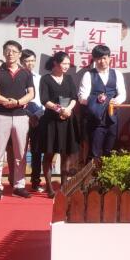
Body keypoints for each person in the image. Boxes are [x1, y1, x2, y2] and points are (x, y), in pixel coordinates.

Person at [0, 40, 35, 200]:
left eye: (14, 51)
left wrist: (18, 102)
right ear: (3, 53)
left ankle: (19, 186)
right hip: (1, 116)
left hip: (21, 116)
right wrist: (6, 101)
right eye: (7, 50)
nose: (10, 54)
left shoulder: (26, 73)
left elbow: (31, 93)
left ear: (20, 54)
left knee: (21, 153)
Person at [37, 52, 80, 195]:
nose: (67, 66)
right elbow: (44, 100)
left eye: (68, 64)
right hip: (51, 120)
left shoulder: (69, 78)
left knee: (66, 154)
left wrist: (68, 109)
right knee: (49, 154)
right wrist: (59, 109)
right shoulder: (46, 79)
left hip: (67, 119)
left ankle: (64, 187)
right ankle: (49, 188)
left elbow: (74, 97)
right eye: (64, 63)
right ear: (55, 63)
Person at [77, 44, 126, 160]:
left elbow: (123, 94)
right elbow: (82, 97)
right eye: (99, 58)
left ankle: (107, 172)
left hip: (112, 118)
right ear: (94, 59)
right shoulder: (88, 75)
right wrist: (97, 100)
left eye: (104, 58)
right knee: (94, 153)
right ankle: (93, 172)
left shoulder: (117, 74)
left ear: (109, 58)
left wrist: (116, 101)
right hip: (95, 120)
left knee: (110, 151)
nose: (102, 61)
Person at [18, 49, 46, 193]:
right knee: (19, 151)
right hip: (21, 116)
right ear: (21, 61)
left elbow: (44, 99)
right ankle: (18, 181)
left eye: (33, 60)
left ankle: (35, 181)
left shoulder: (40, 78)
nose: (30, 63)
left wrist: (37, 115)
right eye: (27, 61)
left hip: (38, 118)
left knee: (36, 151)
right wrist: (29, 115)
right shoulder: (17, 77)